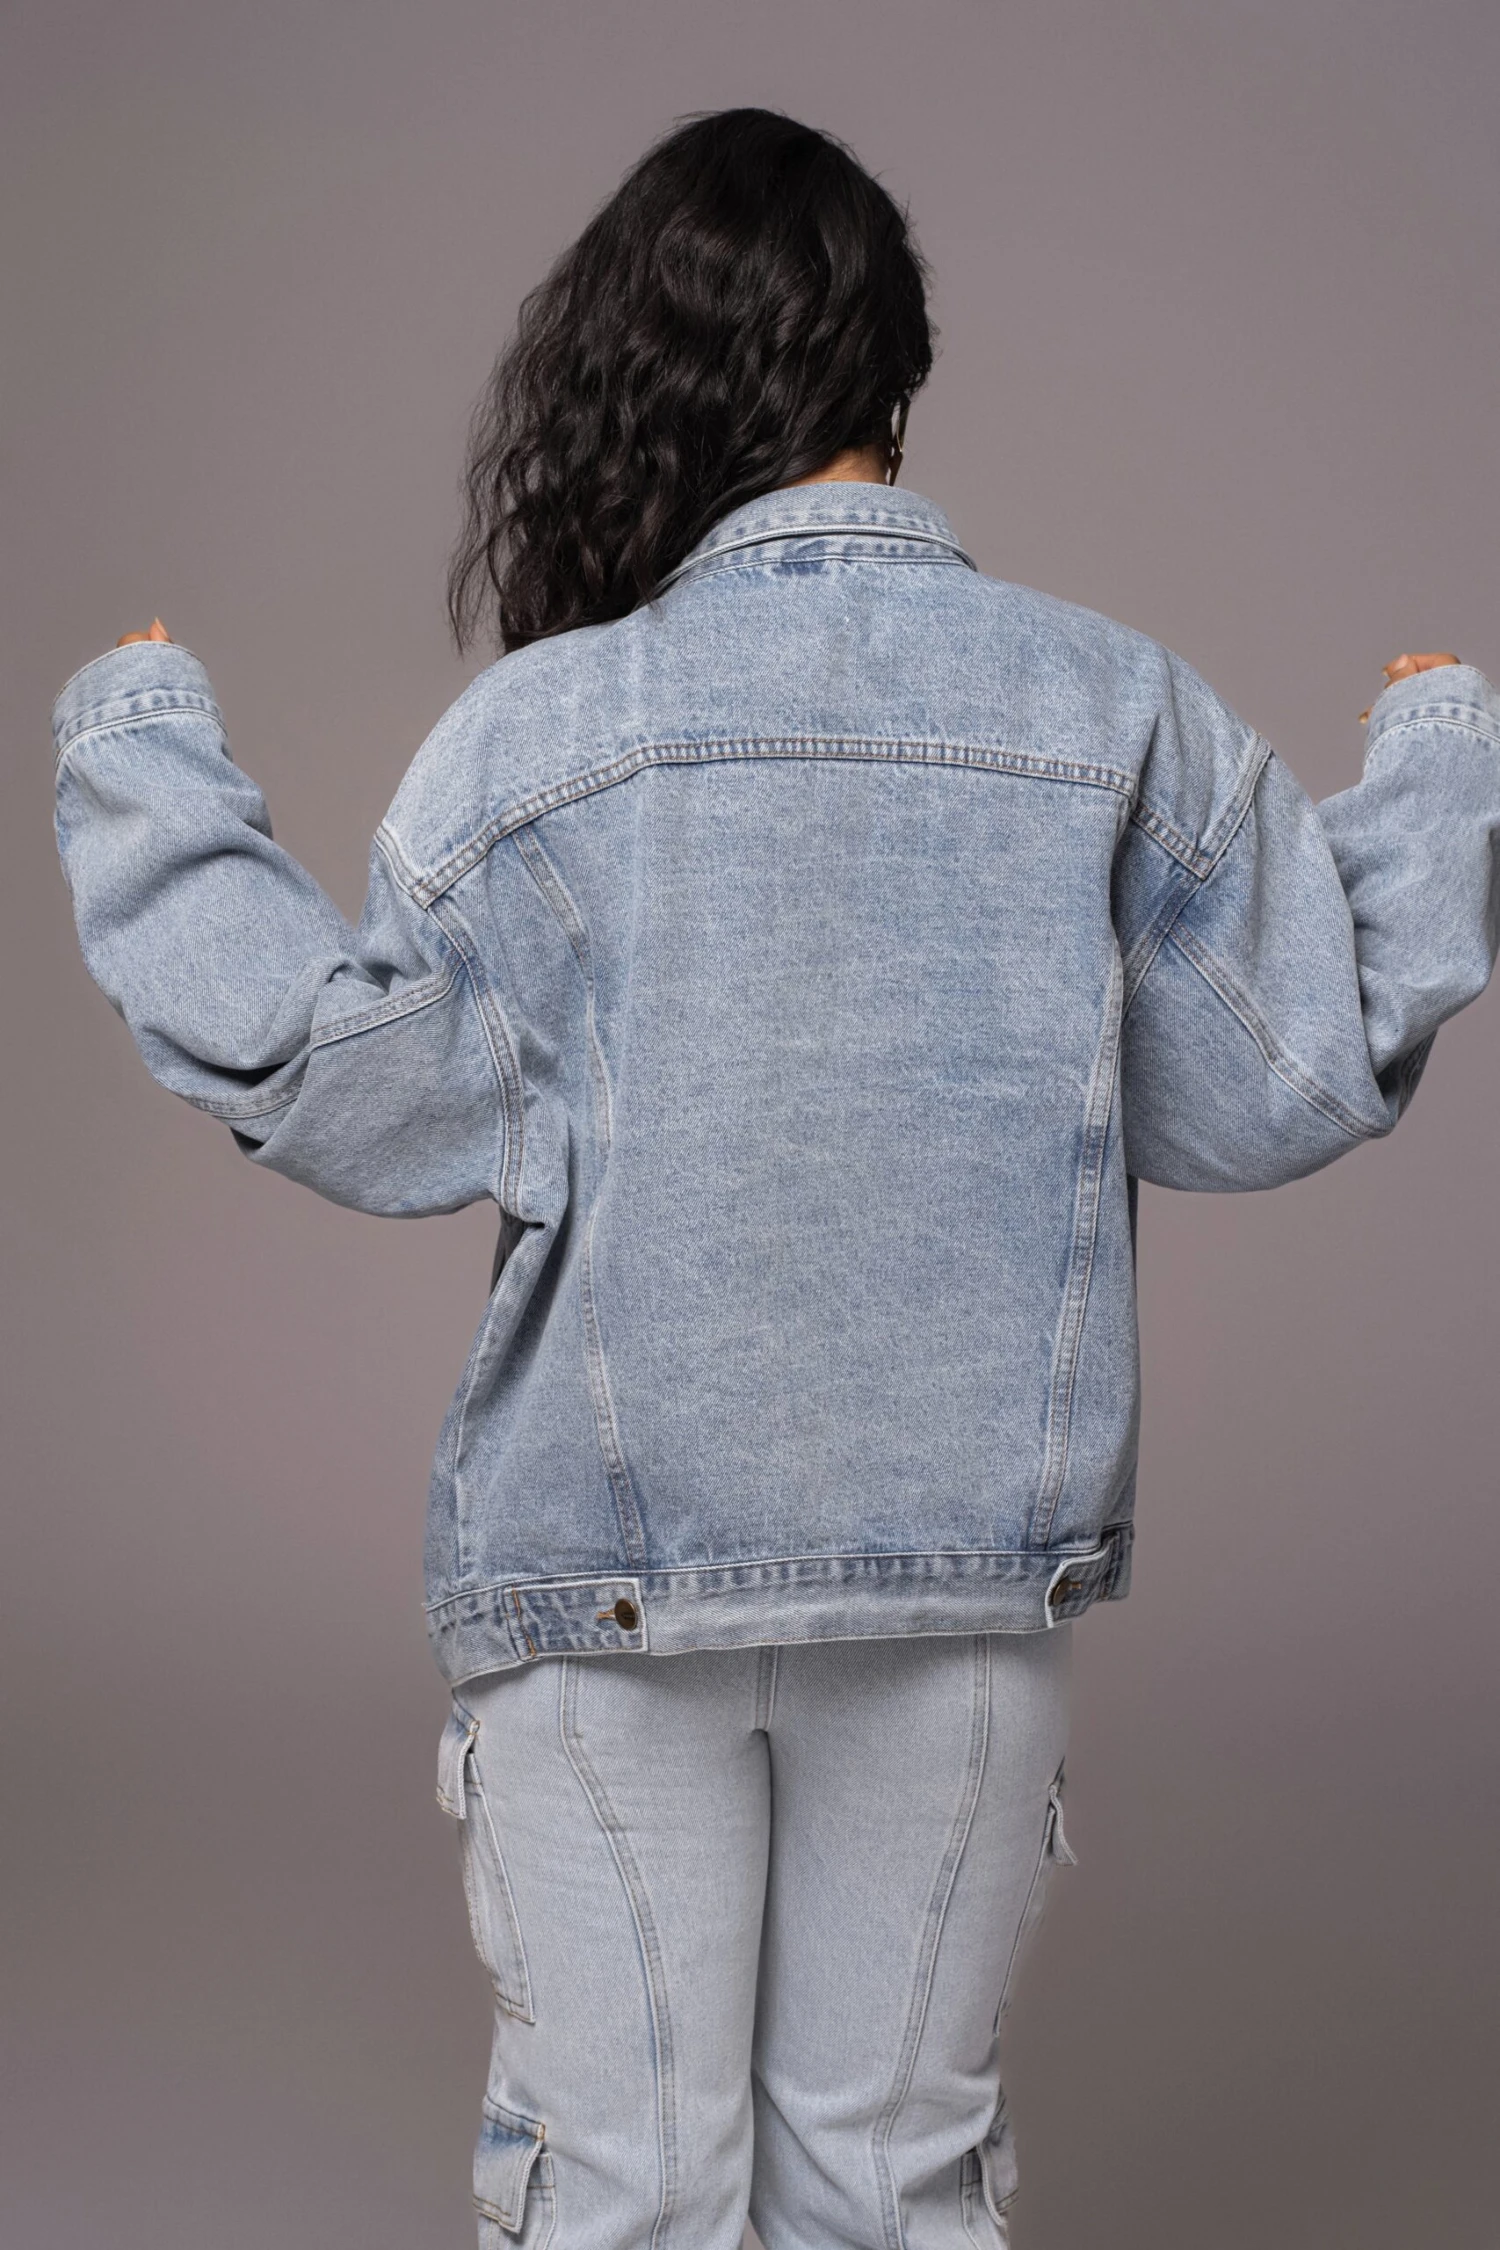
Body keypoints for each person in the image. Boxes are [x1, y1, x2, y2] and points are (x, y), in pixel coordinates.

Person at [53, 106, 1491, 2250]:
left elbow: (349, 1084)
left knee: (625, 2193)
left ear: (645, 380)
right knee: (891, 2184)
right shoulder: (1112, 707)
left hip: (600, 1586)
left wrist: (141, 751)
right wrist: (1434, 761)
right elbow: (1284, 1073)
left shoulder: (539, 738)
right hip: (961, 1581)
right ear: (895, 381)